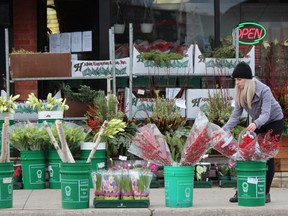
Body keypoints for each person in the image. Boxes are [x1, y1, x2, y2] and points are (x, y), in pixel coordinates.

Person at [222, 61, 284, 203]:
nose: (237, 83)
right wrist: (222, 131)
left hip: (274, 121)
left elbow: (266, 114)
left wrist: (255, 123)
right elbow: (235, 116)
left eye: (239, 79)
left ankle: (265, 192)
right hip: (258, 123)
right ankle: (242, 191)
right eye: (235, 80)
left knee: (267, 154)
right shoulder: (240, 94)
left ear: (248, 79)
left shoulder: (264, 90)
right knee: (247, 151)